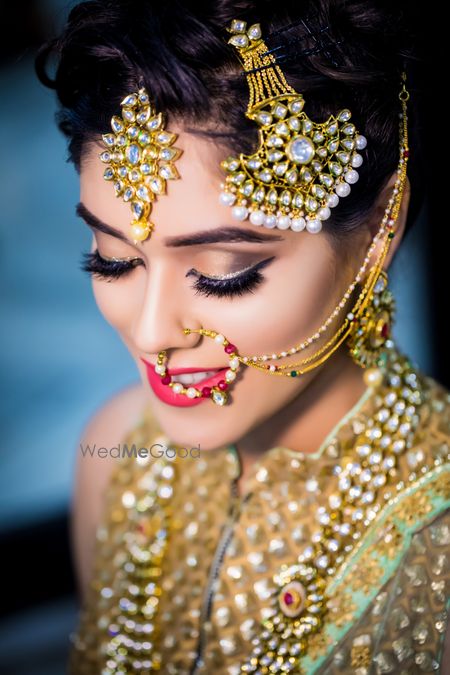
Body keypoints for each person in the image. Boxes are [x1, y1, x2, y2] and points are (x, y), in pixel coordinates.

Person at [36, 1, 450, 672]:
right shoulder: (115, 458)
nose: (151, 333)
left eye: (225, 276)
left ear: (380, 228)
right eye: (112, 258)